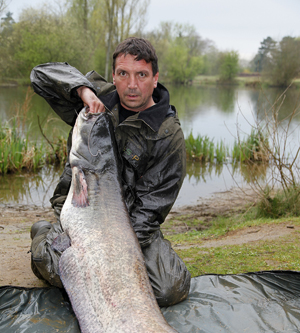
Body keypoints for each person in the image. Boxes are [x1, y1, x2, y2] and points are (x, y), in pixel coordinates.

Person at [30, 37, 191, 307]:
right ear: (114, 76)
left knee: (168, 289)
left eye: (141, 75)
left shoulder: (168, 135)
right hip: (81, 217)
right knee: (52, 264)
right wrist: (83, 90)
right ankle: (43, 233)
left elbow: (150, 211)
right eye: (123, 74)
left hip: (132, 228)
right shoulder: (95, 99)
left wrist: (111, 255)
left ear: (155, 78)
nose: (132, 84)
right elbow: (40, 75)